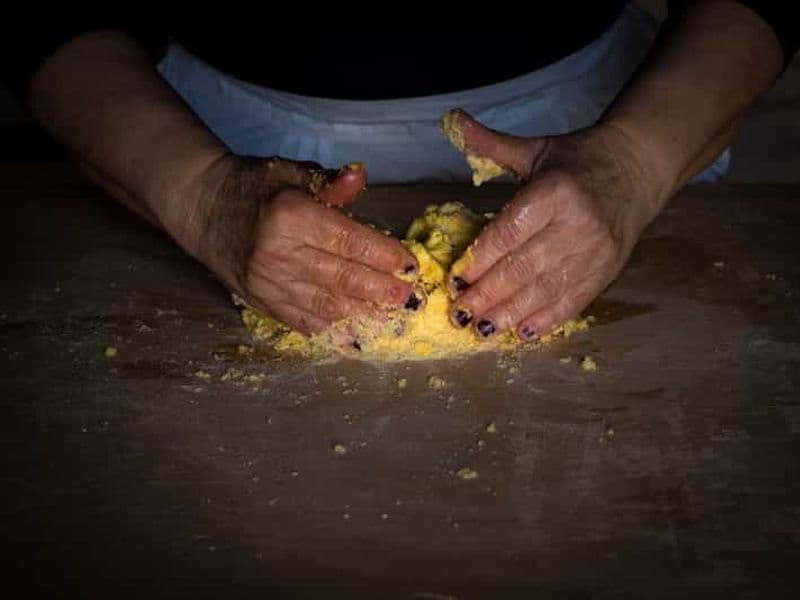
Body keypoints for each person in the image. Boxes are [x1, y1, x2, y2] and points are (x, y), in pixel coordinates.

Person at [7, 4, 797, 341]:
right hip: (202, 124)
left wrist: (632, 163)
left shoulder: (628, 145)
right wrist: (201, 194)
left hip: (612, 109)